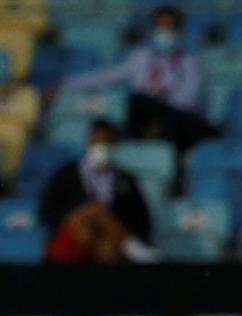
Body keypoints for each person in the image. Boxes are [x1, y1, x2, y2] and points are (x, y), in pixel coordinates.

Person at [59, 5, 213, 151]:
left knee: (143, 105)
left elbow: (187, 101)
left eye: (169, 27)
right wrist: (66, 84)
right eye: (159, 27)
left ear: (179, 31)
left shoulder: (192, 62)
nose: (164, 32)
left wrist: (159, 117)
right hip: (148, 119)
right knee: (131, 106)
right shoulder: (141, 57)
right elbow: (107, 76)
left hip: (180, 120)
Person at [36, 119, 153, 264]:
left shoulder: (125, 180)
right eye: (96, 141)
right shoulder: (65, 174)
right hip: (74, 234)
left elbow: (142, 219)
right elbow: (47, 211)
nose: (100, 146)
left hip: (107, 242)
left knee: (104, 243)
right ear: (88, 142)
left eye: (105, 142)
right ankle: (129, 245)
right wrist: (77, 217)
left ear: (114, 146)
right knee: (92, 210)